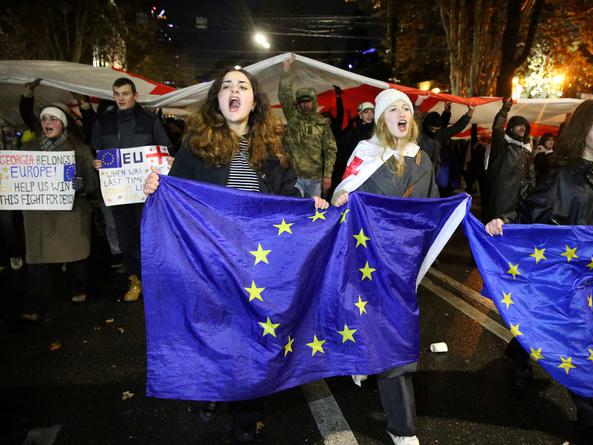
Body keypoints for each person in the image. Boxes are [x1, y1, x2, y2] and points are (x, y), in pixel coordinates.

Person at [144, 66, 328, 443]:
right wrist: (155, 186)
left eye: (242, 86)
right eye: (226, 85)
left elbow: (287, 196)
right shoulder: (196, 144)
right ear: (217, 99)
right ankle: (211, 388)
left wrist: (309, 205)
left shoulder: (275, 146)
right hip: (211, 257)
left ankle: (247, 414)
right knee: (215, 328)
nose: (233, 90)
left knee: (252, 335)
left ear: (254, 100)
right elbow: (176, 191)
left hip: (257, 261)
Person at [486, 99, 593, 445]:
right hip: (560, 272)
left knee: (551, 324)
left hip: (591, 274)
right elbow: (530, 210)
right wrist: (504, 222)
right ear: (582, 131)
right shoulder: (560, 174)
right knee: (579, 343)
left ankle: (518, 349)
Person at [333, 89, 437, 445]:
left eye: (406, 108)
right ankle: (363, 362)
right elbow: (342, 194)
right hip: (364, 261)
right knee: (367, 322)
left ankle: (401, 427)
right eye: (393, 108)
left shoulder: (422, 160)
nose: (401, 113)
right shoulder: (364, 154)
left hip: (401, 264)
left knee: (395, 333)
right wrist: (342, 199)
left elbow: (433, 210)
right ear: (381, 118)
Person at [91, 77, 173, 302]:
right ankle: (134, 279)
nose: (120, 98)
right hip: (119, 192)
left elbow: (165, 148)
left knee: (148, 235)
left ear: (134, 95)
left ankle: (154, 280)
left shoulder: (149, 120)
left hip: (147, 192)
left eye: (125, 93)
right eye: (116, 93)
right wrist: (95, 163)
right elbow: (96, 149)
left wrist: (168, 161)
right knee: (126, 238)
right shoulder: (104, 121)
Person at [20, 106, 97, 321]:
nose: (48, 122)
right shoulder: (27, 150)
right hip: (38, 216)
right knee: (37, 260)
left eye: (53, 118)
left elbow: (92, 184)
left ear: (63, 123)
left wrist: (81, 186)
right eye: (44, 118)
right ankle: (33, 304)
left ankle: (78, 287)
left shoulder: (79, 149)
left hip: (69, 215)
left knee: (74, 255)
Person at [278, 55, 337, 198]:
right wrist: (286, 69)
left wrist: (327, 176)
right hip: (294, 177)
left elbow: (330, 150)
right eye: (302, 101)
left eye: (308, 101)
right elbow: (285, 95)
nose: (305, 104)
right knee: (295, 213)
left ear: (314, 101)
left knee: (314, 214)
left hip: (315, 180)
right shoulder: (292, 117)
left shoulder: (321, 123)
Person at [483, 98, 533, 223]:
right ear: (510, 128)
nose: (523, 127)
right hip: (502, 201)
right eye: (519, 125)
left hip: (520, 201)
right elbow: (497, 128)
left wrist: (530, 190)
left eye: (525, 126)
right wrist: (505, 109)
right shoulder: (502, 146)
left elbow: (530, 174)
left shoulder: (526, 150)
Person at [330, 101, 375, 195]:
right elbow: (343, 153)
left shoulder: (378, 132)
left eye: (372, 112)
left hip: (371, 172)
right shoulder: (353, 132)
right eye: (366, 111)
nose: (370, 114)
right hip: (354, 172)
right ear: (360, 114)